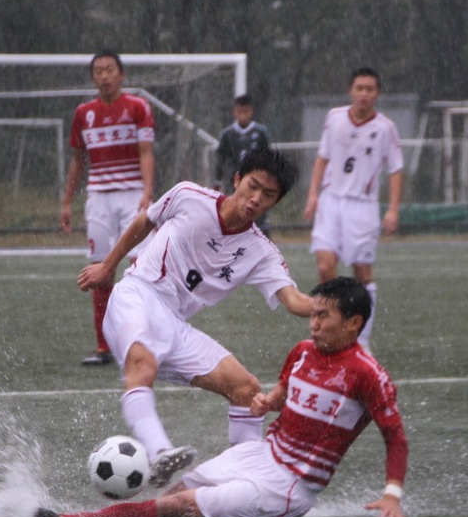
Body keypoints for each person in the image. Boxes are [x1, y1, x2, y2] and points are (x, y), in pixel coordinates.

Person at [33, 277, 410, 517]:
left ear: (353, 323)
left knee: (181, 508)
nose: (312, 323)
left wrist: (392, 493)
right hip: (262, 455)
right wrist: (268, 402)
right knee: (178, 491)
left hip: (290, 485)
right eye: (312, 313)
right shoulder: (303, 352)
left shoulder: (368, 373)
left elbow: (395, 437)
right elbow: (283, 392)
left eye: (322, 316)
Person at [76, 148, 312, 484]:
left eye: (268, 195)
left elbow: (292, 299)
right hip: (137, 295)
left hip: (175, 325)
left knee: (246, 388)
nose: (255, 199)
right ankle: (159, 454)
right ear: (236, 180)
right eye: (253, 186)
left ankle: (244, 476)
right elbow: (146, 220)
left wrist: (322, 306)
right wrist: (107, 266)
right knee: (142, 364)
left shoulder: (261, 252)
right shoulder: (189, 195)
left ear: (275, 203)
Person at [60, 50, 155, 366]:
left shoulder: (138, 107)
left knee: (144, 266)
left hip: (132, 196)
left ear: (121, 75)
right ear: (93, 77)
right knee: (101, 268)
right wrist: (66, 202)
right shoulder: (84, 113)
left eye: (109, 69)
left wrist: (147, 192)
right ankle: (104, 346)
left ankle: (146, 339)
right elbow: (78, 160)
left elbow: (145, 151)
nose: (104, 75)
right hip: (99, 197)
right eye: (98, 70)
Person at [304, 66, 403, 352]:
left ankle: (361, 340)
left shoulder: (385, 128)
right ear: (351, 90)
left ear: (377, 93)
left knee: (362, 273)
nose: (363, 94)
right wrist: (313, 194)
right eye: (359, 88)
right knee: (325, 269)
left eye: (369, 89)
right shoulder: (334, 118)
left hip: (363, 207)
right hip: (331, 201)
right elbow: (322, 158)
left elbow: (396, 170)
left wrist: (393, 209)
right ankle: (330, 334)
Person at [214, 94, 274, 238]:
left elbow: (270, 158)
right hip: (235, 184)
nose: (243, 115)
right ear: (234, 112)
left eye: (246, 112)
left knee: (258, 217)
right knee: (236, 214)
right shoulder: (228, 134)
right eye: (240, 112)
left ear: (251, 111)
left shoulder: (261, 133)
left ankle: (263, 245)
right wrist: (217, 181)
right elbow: (220, 159)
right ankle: (234, 245)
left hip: (258, 184)